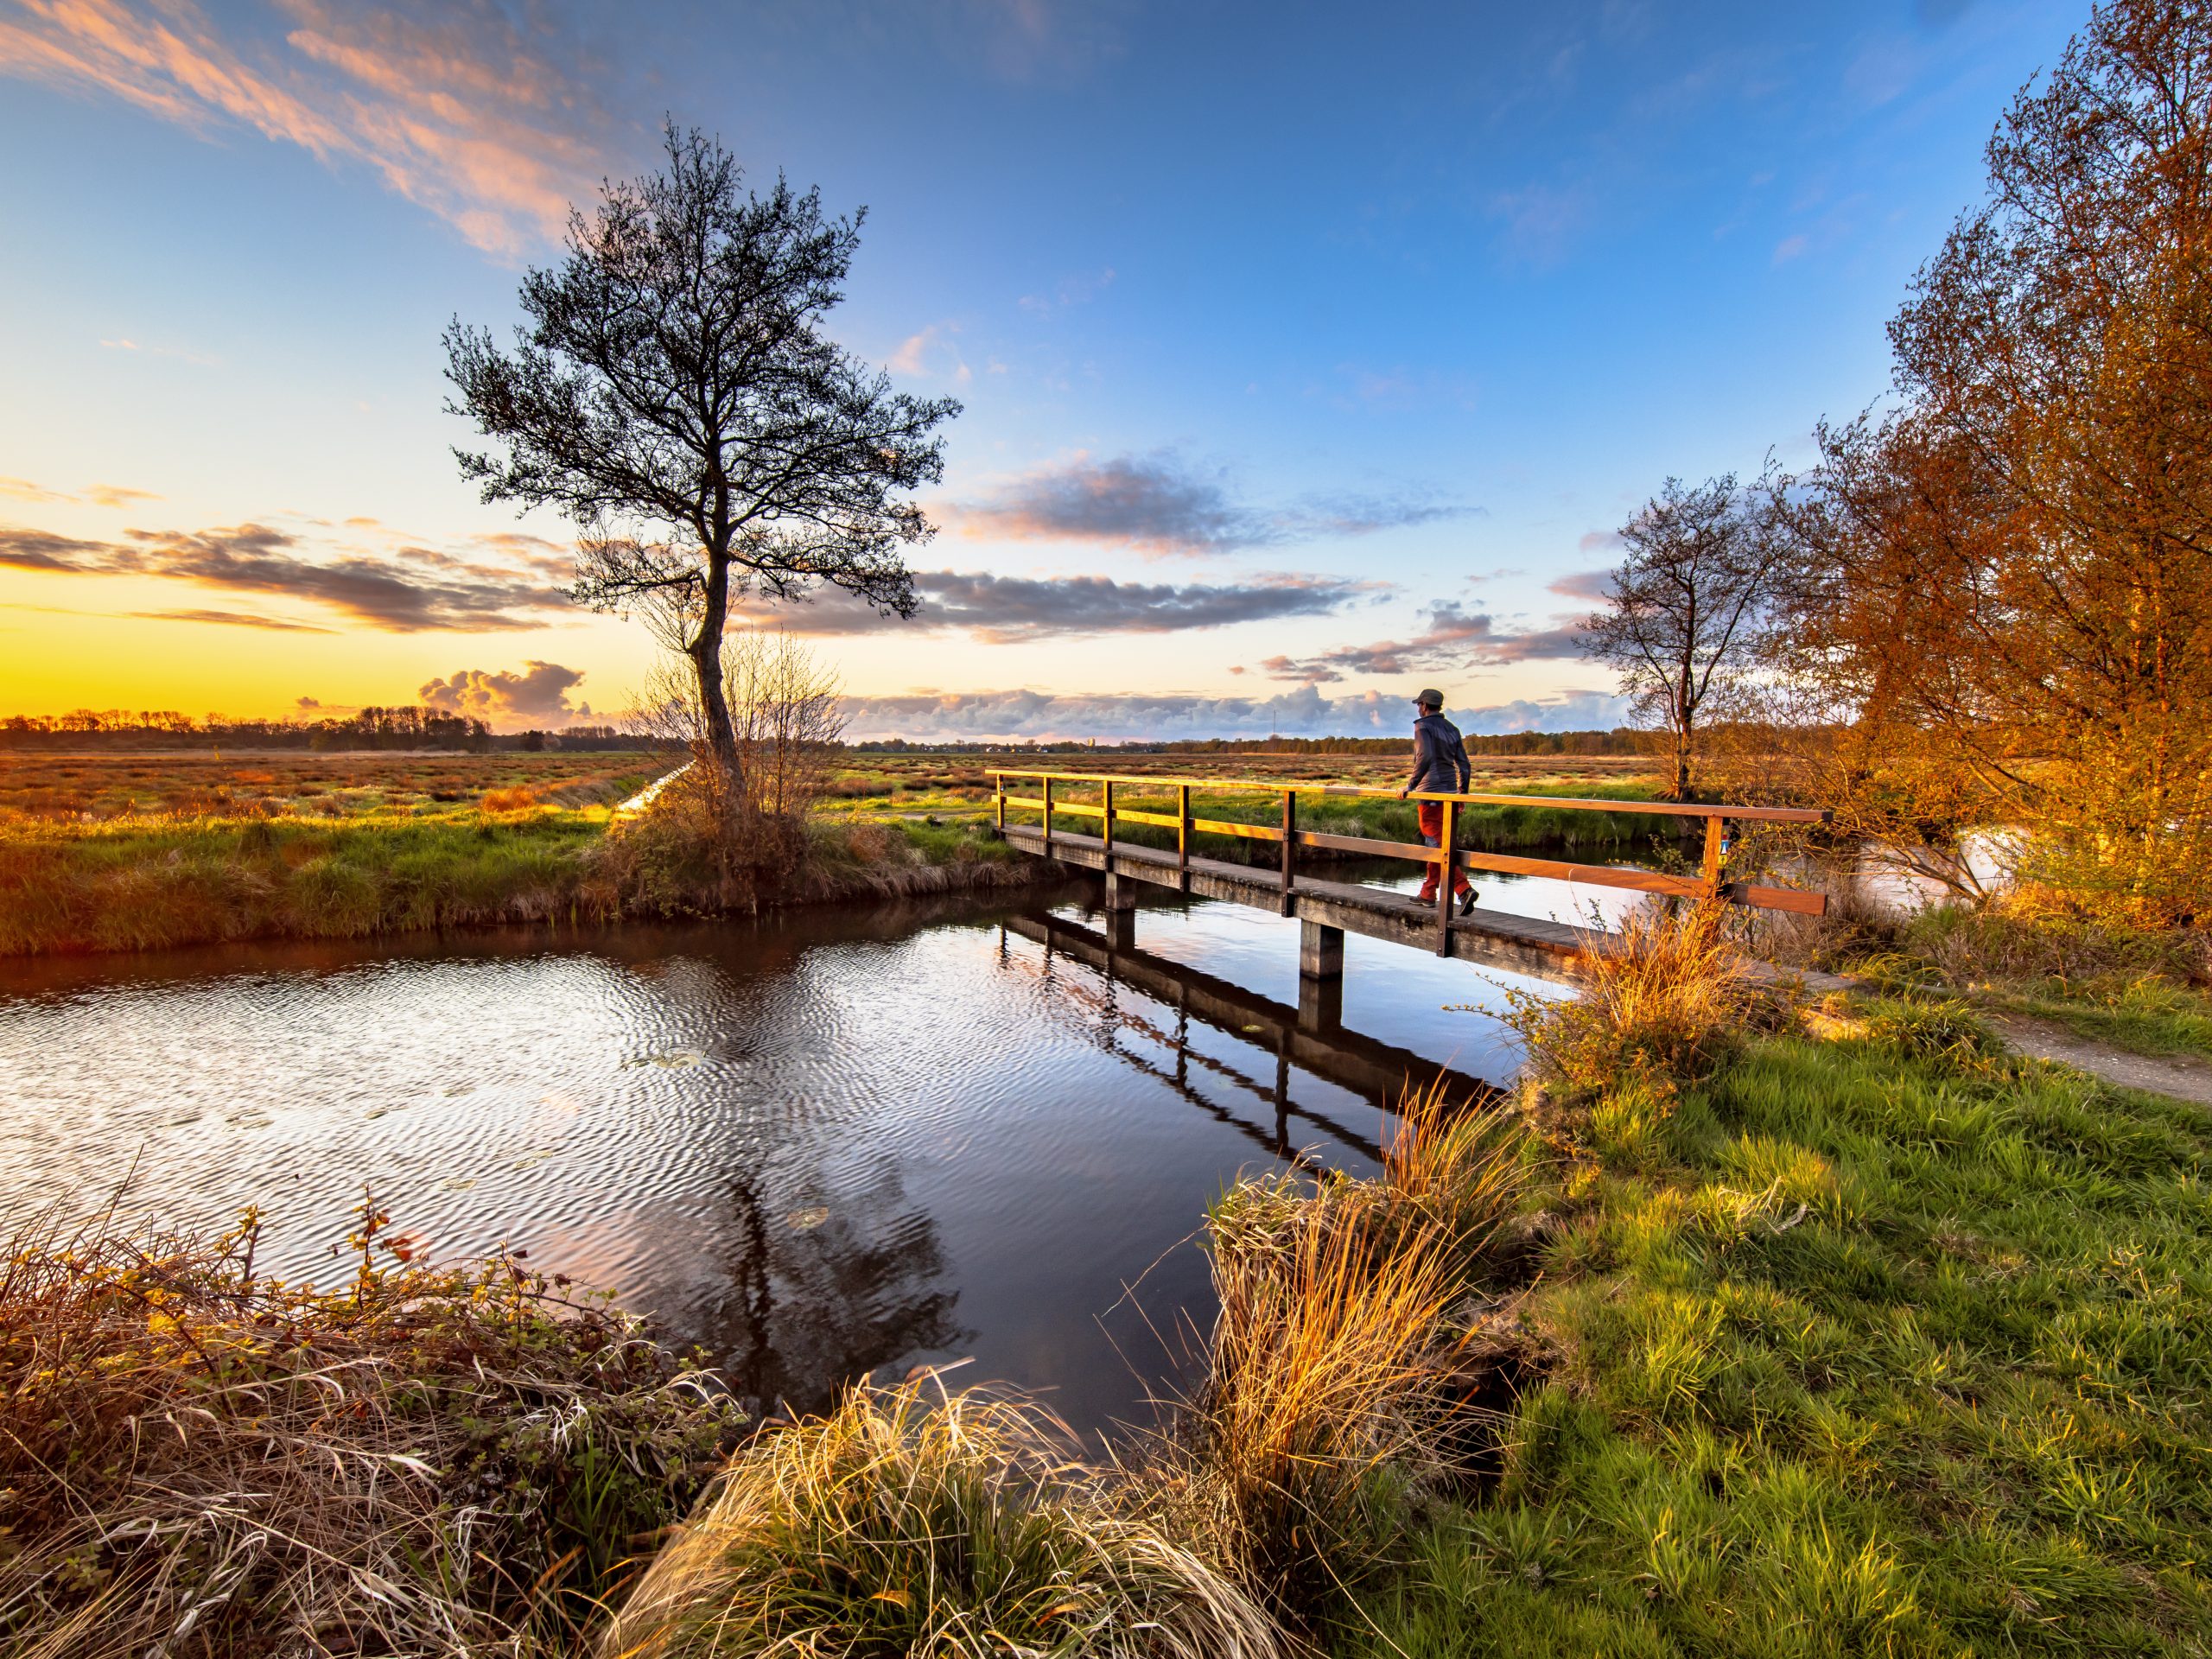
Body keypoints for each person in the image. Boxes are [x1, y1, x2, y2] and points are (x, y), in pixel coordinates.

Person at [1398, 688, 1478, 913]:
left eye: (1419, 705)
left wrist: (1409, 786)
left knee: (1437, 845)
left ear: (1424, 705)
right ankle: (1428, 893)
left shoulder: (1422, 725)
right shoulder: (1452, 729)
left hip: (1431, 794)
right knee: (1438, 844)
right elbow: (1464, 764)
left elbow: (1425, 757)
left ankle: (1463, 890)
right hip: (1449, 794)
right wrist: (1462, 793)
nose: (1418, 709)